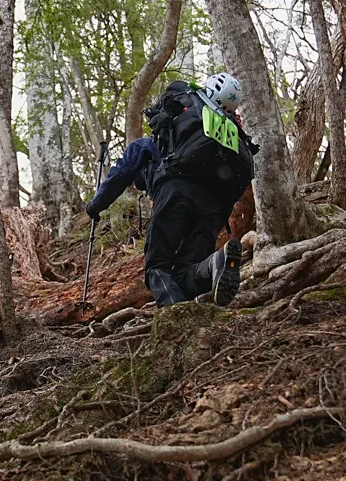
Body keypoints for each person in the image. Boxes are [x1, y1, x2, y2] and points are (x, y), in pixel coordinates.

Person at [87, 73, 254, 307]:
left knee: (157, 267)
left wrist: (95, 205)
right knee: (186, 271)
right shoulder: (223, 136)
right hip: (213, 209)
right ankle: (213, 264)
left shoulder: (156, 141)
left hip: (176, 193)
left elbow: (120, 173)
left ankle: (174, 318)